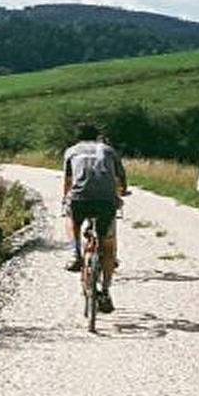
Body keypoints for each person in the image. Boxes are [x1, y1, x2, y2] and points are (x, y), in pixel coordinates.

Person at [61, 123, 128, 313]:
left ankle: (75, 254)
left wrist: (65, 198)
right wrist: (121, 193)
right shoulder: (108, 150)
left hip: (80, 199)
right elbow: (121, 178)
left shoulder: (71, 151)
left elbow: (68, 180)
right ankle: (105, 291)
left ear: (77, 137)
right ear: (97, 136)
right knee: (108, 245)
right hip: (105, 202)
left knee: (70, 217)